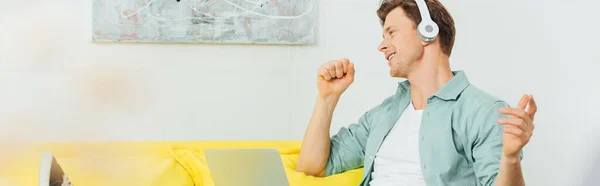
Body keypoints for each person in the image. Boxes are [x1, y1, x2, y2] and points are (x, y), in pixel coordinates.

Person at [295, 0, 538, 186]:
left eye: (392, 32)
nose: (381, 46)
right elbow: (313, 166)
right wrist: (327, 98)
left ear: (427, 32)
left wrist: (510, 158)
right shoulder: (383, 115)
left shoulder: (484, 112)